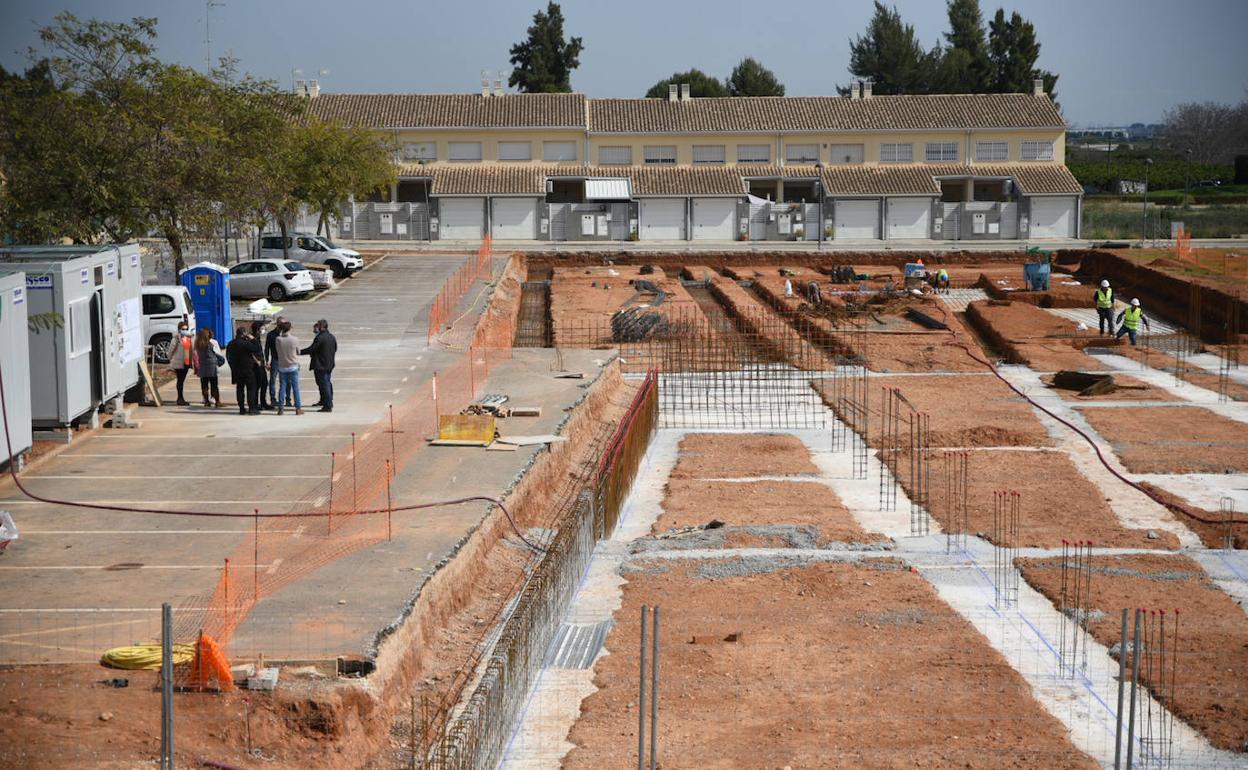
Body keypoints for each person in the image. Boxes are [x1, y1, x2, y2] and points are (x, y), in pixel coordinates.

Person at [301, 319, 338, 412]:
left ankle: (328, 405)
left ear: (321, 327)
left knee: (324, 384)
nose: (315, 328)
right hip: (329, 364)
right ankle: (325, 400)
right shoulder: (331, 337)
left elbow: (312, 349)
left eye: (317, 326)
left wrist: (299, 352)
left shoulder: (320, 338)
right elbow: (335, 348)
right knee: (326, 383)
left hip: (321, 365)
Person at [226, 326, 263, 415]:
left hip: (236, 369)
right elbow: (257, 348)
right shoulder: (245, 343)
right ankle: (251, 408)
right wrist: (253, 339)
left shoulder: (231, 343)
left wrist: (232, 367)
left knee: (240, 389)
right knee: (251, 389)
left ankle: (241, 408)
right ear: (243, 334)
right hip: (247, 368)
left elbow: (228, 356)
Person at [273, 320, 304, 415]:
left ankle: (280, 408)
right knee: (295, 388)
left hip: (282, 365)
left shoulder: (278, 339)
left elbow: (277, 351)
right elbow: (298, 351)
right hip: (293, 365)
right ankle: (298, 408)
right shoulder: (295, 339)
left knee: (282, 387)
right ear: (290, 328)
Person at [192, 328, 223, 408]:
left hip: (202, 366)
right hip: (212, 366)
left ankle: (206, 401)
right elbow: (217, 353)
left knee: (204, 385)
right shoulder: (210, 344)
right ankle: (217, 401)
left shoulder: (198, 344)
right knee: (214, 385)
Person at [165, 321, 194, 406]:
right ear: (179, 329)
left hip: (187, 363)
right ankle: (180, 399)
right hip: (178, 362)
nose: (185, 330)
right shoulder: (176, 338)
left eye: (186, 329)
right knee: (180, 380)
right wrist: (170, 359)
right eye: (183, 329)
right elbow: (170, 350)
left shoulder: (189, 338)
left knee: (182, 380)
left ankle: (181, 398)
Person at [264, 315, 288, 408]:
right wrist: (267, 361)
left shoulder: (286, 334)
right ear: (277, 324)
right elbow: (267, 348)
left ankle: (287, 399)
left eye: (284, 323)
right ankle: (273, 399)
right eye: (281, 323)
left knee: (286, 380)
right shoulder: (271, 334)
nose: (282, 325)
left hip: (284, 360)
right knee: (273, 380)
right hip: (275, 360)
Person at [250, 320, 273, 410]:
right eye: (262, 328)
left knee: (264, 384)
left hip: (261, 364)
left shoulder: (258, 338)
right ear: (257, 329)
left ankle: (263, 402)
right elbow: (251, 352)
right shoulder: (252, 339)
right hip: (256, 365)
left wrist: (265, 363)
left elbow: (260, 352)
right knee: (257, 385)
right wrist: (257, 361)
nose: (263, 330)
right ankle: (255, 403)